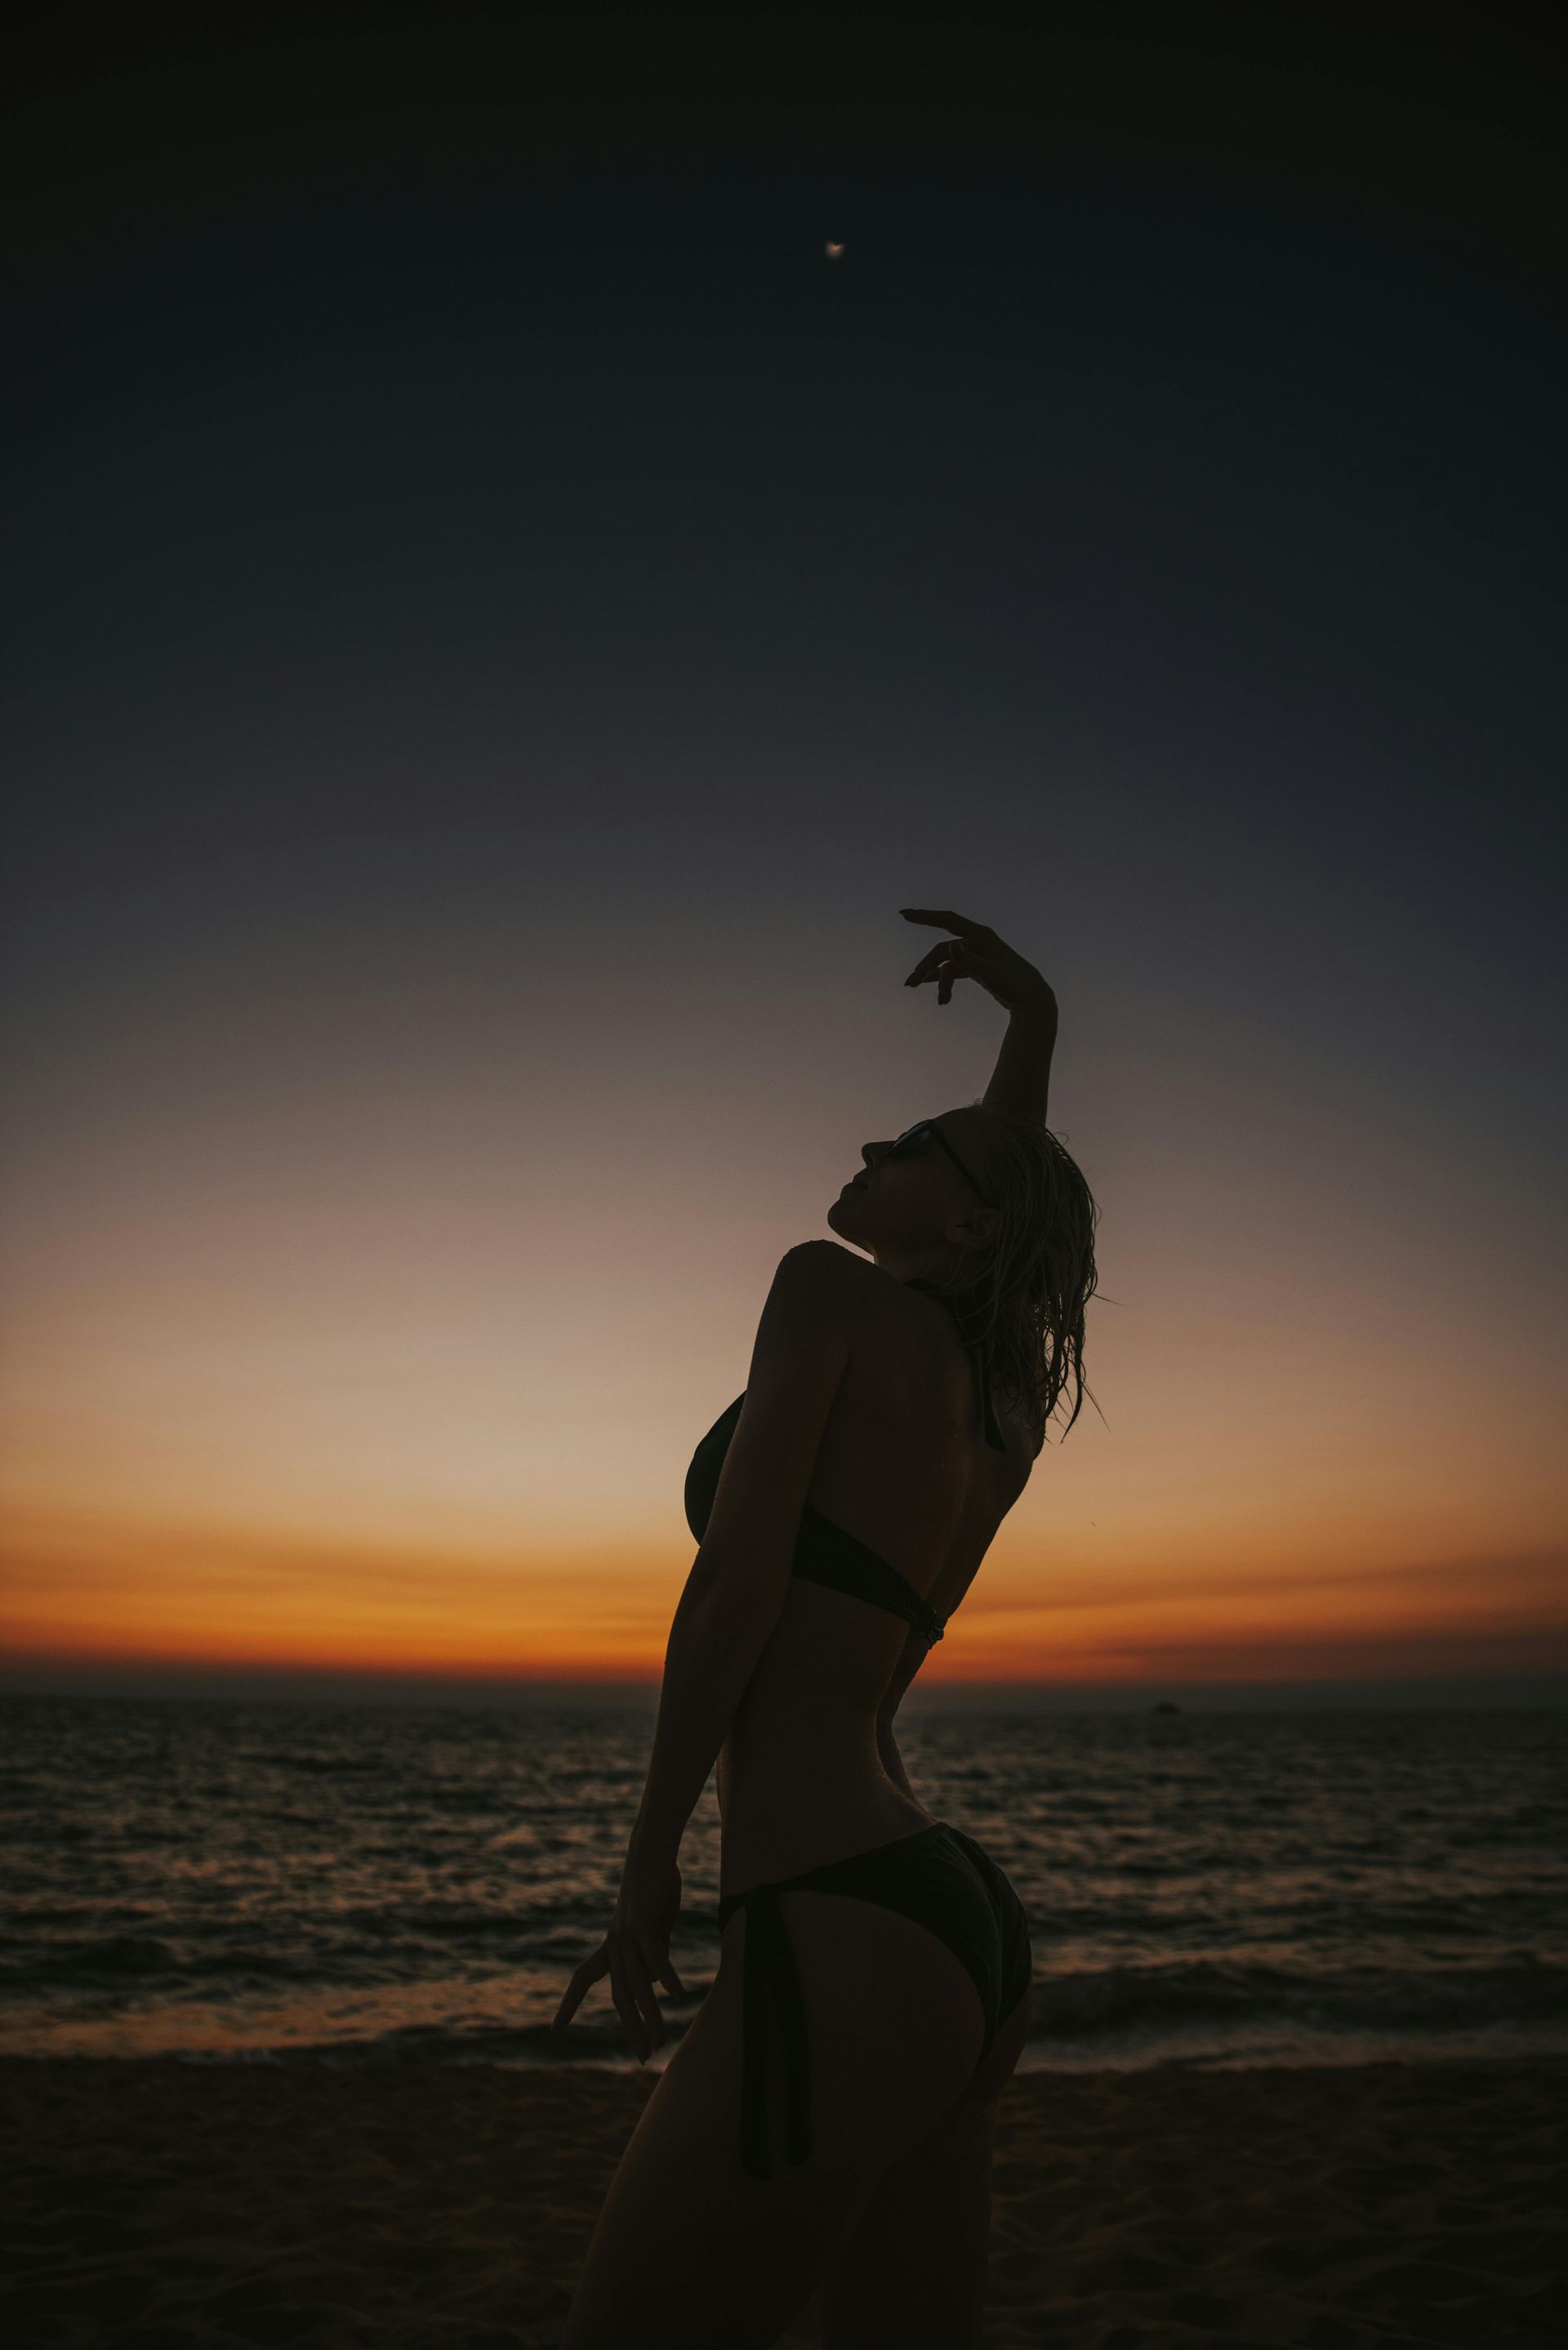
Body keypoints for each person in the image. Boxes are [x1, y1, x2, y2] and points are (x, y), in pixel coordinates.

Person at [554, 909, 1099, 2349]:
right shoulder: (1004, 1407)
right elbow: (1013, 1192)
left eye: (912, 1143)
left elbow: (735, 1585)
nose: (876, 1145)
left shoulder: (824, 1293)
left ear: (965, 1221)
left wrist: (646, 1861)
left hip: (831, 1912)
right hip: (956, 1933)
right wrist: (1027, 1012)